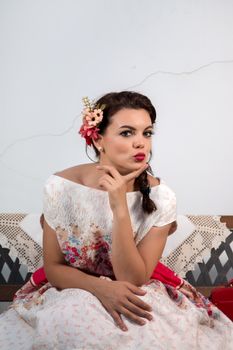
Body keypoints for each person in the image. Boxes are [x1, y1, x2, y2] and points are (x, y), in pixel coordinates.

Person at [0, 91, 233, 349]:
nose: (140, 143)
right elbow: (54, 269)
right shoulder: (60, 187)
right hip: (73, 287)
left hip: (136, 285)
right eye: (127, 132)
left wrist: (120, 207)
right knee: (75, 325)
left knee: (143, 331)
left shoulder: (162, 197)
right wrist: (101, 289)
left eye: (147, 133)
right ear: (98, 139)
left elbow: (133, 278)